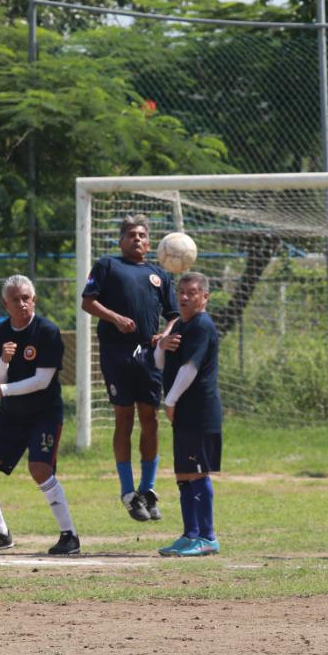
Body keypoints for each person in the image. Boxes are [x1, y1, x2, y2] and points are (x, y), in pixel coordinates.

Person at [0, 275, 80, 556]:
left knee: (40, 469)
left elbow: (41, 381)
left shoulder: (47, 332)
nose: (22, 304)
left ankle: (70, 536)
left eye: (26, 298)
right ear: (6, 304)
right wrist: (4, 360)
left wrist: (2, 389)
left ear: (34, 300)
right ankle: (1, 533)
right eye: (15, 299)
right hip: (12, 415)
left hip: (44, 412)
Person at [81, 215, 177, 523]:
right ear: (121, 241)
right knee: (124, 418)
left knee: (150, 419)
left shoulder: (159, 274)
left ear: (149, 243)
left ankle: (148, 491)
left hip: (149, 356)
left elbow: (174, 315)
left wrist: (165, 333)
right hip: (117, 353)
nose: (137, 239)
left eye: (142, 235)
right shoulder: (108, 266)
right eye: (131, 234)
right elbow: (88, 302)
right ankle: (128, 493)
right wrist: (116, 318)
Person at [153, 271, 223, 557]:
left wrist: (169, 401)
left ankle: (207, 536)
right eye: (181, 292)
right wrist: (161, 344)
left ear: (204, 297)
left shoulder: (202, 325)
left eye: (191, 292)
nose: (183, 297)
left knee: (197, 472)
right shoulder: (180, 325)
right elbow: (159, 364)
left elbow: (190, 369)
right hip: (183, 412)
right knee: (183, 473)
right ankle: (190, 534)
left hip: (199, 411)